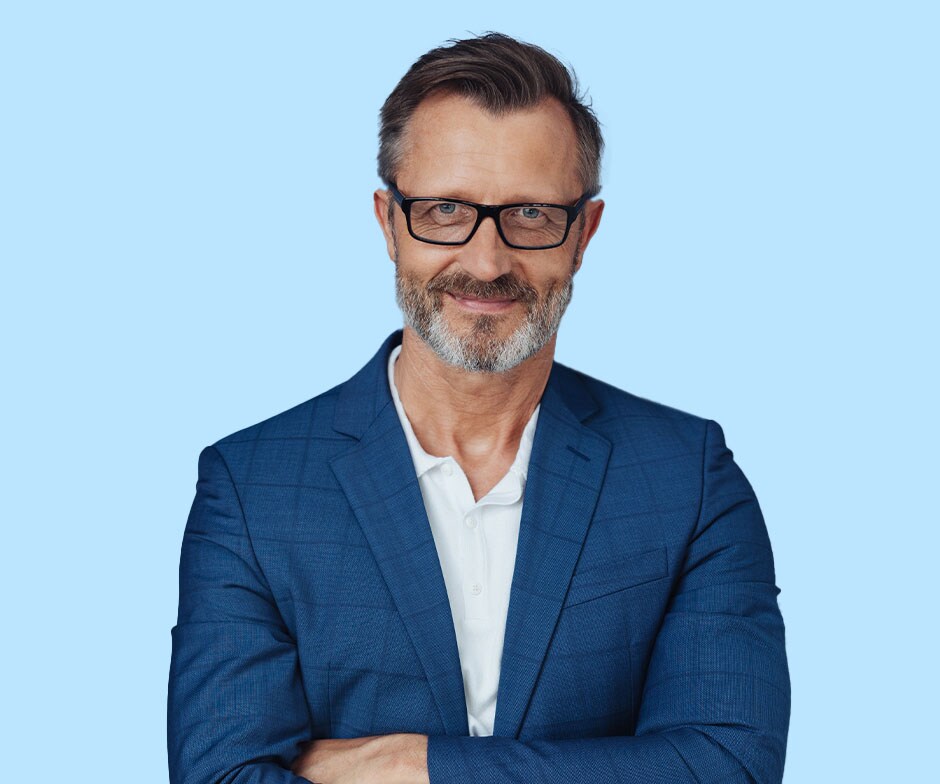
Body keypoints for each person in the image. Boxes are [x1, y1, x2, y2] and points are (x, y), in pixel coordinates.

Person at [167, 32, 790, 784]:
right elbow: (221, 777)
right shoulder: (251, 486)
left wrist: (416, 765)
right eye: (444, 210)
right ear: (388, 222)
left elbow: (728, 767)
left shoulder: (688, 478)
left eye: (531, 213)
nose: (487, 262)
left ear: (584, 234)